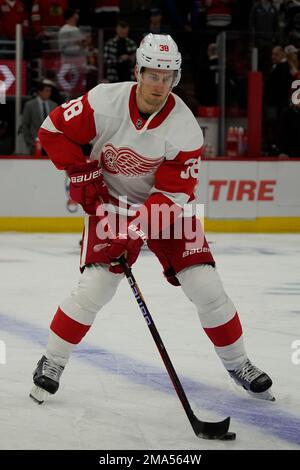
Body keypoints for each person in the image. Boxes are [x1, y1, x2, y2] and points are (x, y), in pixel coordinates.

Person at [29, 33, 274, 405]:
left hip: (168, 207)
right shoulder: (104, 101)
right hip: (112, 203)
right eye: (152, 74)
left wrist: (135, 230)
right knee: (97, 286)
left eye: (167, 76)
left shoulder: (185, 127)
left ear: (175, 79)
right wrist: (80, 171)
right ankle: (53, 361)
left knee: (205, 284)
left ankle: (238, 363)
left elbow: (174, 194)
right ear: (138, 71)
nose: (159, 84)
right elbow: (52, 130)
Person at [22, 80, 57, 155]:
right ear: (40, 92)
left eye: (50, 91)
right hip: (35, 144)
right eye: (47, 91)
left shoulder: (54, 105)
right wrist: (29, 142)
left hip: (51, 145)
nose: (49, 93)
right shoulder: (30, 105)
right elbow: (25, 125)